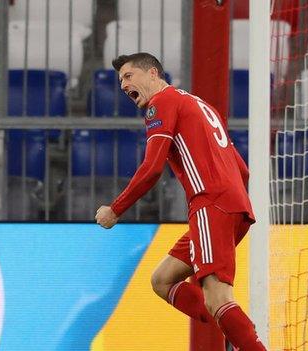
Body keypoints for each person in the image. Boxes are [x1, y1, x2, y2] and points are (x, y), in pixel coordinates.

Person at [95, 52, 266, 350]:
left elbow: (151, 169)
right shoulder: (198, 103)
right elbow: (242, 169)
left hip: (210, 205)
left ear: (152, 74)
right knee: (162, 279)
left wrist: (115, 209)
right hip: (233, 205)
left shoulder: (161, 103)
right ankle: (236, 332)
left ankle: (244, 338)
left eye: (128, 75)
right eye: (120, 79)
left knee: (218, 297)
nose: (123, 84)